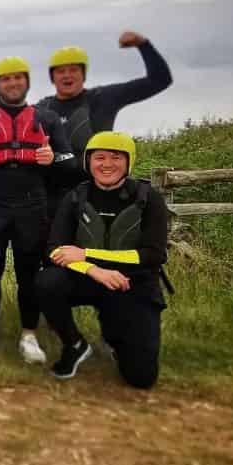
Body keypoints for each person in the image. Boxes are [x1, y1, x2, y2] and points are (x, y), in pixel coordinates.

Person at [0, 57, 75, 361]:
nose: (12, 84)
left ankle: (29, 335)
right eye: (6, 80)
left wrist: (52, 159)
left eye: (18, 79)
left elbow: (70, 162)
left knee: (28, 273)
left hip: (32, 204)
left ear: (26, 82)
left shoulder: (46, 119)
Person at [36, 132, 169, 387]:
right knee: (46, 282)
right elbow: (54, 248)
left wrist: (88, 254)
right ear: (89, 161)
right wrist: (93, 269)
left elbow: (154, 254)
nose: (107, 164)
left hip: (132, 283)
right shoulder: (76, 197)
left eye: (115, 158)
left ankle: (117, 340)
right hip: (86, 278)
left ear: (129, 162)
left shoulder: (148, 198)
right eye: (99, 157)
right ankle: (74, 345)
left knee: (141, 378)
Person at [36, 34, 173, 219]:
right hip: (51, 200)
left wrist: (144, 45)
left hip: (96, 195)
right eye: (60, 71)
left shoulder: (102, 98)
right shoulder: (41, 108)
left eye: (73, 69)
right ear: (52, 77)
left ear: (83, 73)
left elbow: (160, 79)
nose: (67, 75)